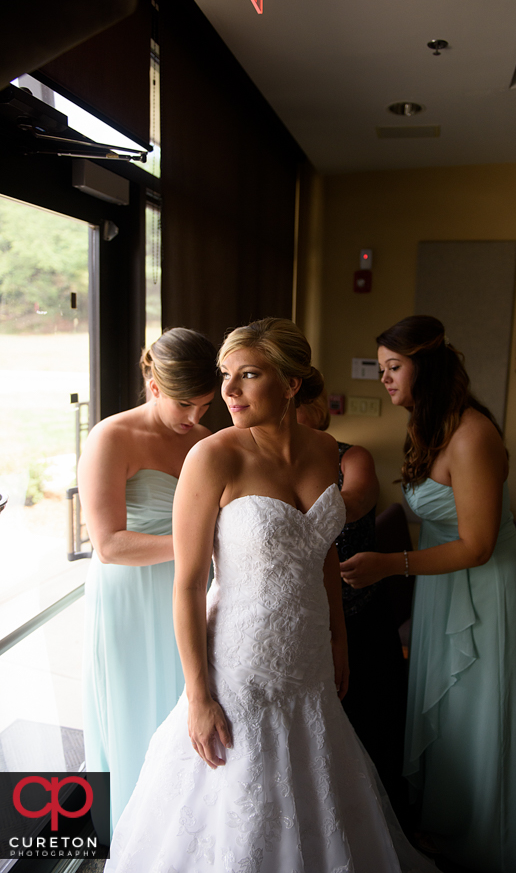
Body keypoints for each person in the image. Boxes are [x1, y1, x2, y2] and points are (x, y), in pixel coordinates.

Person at [106, 317, 439, 873]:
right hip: (240, 663)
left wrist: (338, 635)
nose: (229, 392)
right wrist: (198, 696)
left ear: (290, 384)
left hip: (309, 657)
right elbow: (188, 585)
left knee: (318, 791)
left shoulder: (325, 448)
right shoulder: (212, 457)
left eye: (248, 375)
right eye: (225, 376)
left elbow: (323, 553)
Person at [340, 315, 516, 873]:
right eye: (381, 369)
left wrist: (390, 565)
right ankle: (450, 819)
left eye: (393, 367)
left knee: (482, 709)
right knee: (450, 709)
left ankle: (489, 834)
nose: (383, 379)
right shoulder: (426, 426)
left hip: (485, 583)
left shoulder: (473, 432)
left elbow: (477, 544)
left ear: (425, 366)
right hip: (441, 580)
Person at [78, 327, 218, 836]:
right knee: (136, 714)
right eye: (185, 404)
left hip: (188, 597)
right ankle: (130, 840)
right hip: (129, 600)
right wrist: (199, 547)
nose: (195, 418)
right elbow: (110, 544)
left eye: (205, 405)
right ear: (154, 385)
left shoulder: (206, 444)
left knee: (183, 715)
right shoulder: (112, 437)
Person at [297, 392, 408, 817]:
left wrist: (282, 506)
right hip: (303, 617)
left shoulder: (350, 457)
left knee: (368, 721)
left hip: (358, 613)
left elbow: (357, 501)